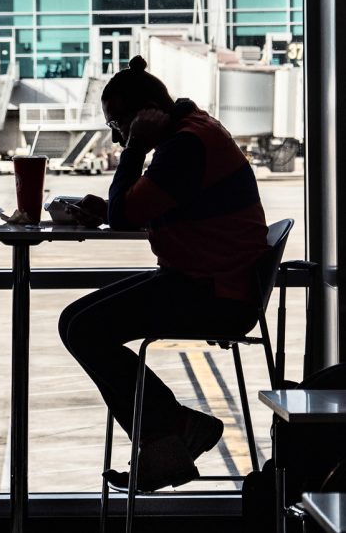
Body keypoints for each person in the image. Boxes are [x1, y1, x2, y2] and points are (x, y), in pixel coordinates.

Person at [58, 55, 269, 492]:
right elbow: (143, 207)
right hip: (204, 278)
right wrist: (112, 206)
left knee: (84, 331)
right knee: (74, 323)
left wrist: (136, 148)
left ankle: (169, 434)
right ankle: (170, 433)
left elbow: (123, 217)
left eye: (119, 125)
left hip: (215, 292)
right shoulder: (193, 132)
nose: (118, 139)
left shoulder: (185, 144)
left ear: (146, 114)